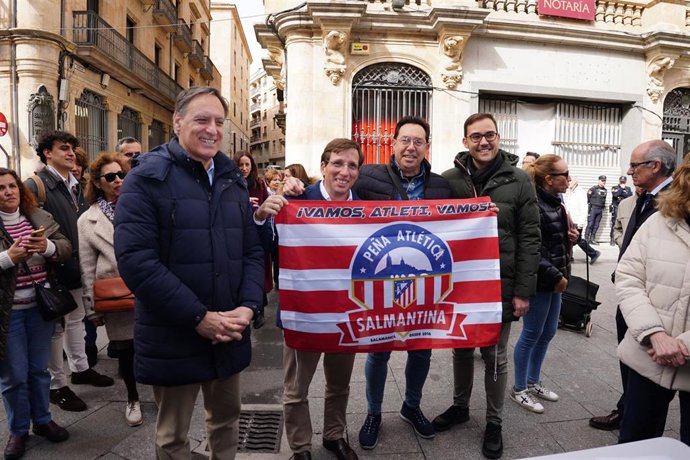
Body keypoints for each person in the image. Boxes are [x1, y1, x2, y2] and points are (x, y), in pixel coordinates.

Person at [114, 86, 265, 458]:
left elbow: (251, 251)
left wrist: (248, 307)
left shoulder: (232, 179)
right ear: (177, 121)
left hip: (229, 330)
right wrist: (198, 317)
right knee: (172, 436)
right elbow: (137, 261)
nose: (212, 129)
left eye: (218, 121)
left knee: (226, 421)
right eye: (202, 119)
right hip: (174, 333)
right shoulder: (146, 179)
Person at [434, 113, 540, 459]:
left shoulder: (520, 180)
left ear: (499, 138)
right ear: (465, 142)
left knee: (495, 354)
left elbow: (530, 237)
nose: (483, 142)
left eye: (490, 135)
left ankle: (494, 422)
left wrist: (523, 292)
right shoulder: (449, 180)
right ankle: (460, 406)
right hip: (459, 287)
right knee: (460, 349)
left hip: (501, 285)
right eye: (476, 137)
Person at [255, 139, 363, 460]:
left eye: (352, 165)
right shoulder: (296, 201)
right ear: (323, 167)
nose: (344, 172)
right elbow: (265, 246)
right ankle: (300, 447)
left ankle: (333, 436)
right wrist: (262, 216)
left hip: (347, 312)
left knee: (339, 384)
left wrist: (476, 212)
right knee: (295, 389)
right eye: (338, 163)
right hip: (304, 311)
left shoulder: (367, 207)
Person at [350, 116, 452, 449]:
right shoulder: (367, 177)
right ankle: (374, 412)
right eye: (405, 140)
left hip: (422, 290)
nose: (411, 147)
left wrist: (484, 213)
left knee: (421, 353)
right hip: (381, 283)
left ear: (427, 147)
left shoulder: (440, 186)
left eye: (418, 141)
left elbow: (459, 227)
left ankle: (411, 406)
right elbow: (333, 201)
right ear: (392, 143)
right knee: (378, 354)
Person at [589, 140, 676, 431]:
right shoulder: (640, 198)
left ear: (656, 165)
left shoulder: (673, 201)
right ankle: (627, 408)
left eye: (635, 165)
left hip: (663, 310)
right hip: (633, 299)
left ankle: (631, 412)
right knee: (629, 360)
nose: (629, 171)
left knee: (646, 383)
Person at [26, 131, 114, 414]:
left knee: (76, 319)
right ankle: (57, 386)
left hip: (74, 265)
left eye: (73, 148)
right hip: (52, 269)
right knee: (56, 329)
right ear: (47, 153)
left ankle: (80, 369)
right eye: (64, 148)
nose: (71, 152)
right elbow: (32, 232)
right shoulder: (36, 185)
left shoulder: (75, 184)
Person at [615, 153, 690, 445]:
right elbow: (629, 277)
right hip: (649, 356)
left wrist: (681, 345)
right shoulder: (660, 220)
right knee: (636, 443)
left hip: (681, 353)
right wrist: (655, 335)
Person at [1, 168, 72, 459]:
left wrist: (48, 246)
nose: (8, 192)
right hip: (9, 315)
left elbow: (67, 248)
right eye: (1, 188)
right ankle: (18, 430)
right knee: (14, 376)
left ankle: (42, 420)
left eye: (12, 186)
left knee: (39, 370)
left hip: (40, 308)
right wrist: (8, 258)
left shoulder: (38, 217)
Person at [77, 153, 142, 428]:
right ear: (98, 183)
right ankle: (133, 398)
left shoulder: (144, 206)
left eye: (122, 174)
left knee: (154, 346)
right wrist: (92, 309)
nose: (118, 181)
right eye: (110, 177)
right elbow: (86, 266)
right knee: (126, 351)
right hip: (116, 295)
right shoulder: (87, 221)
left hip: (151, 289)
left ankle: (164, 395)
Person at [511, 154, 574, 414]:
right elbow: (531, 249)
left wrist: (573, 235)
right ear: (549, 179)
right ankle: (519, 388)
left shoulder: (556, 203)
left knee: (548, 333)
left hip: (556, 278)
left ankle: (533, 381)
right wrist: (555, 276)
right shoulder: (534, 205)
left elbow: (554, 241)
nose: (569, 180)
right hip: (540, 280)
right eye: (564, 175)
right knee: (531, 335)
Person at [71, 146, 99, 367]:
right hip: (69, 257)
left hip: (87, 254)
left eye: (80, 164)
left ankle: (90, 346)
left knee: (88, 305)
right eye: (74, 164)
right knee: (73, 315)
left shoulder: (85, 192)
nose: (76, 168)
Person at [234, 151, 273, 301]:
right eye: (240, 165)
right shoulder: (230, 183)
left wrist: (261, 211)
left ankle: (260, 303)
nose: (244, 168)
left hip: (258, 233)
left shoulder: (259, 183)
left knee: (259, 268)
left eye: (247, 164)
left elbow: (267, 206)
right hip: (238, 234)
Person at [564, 177, 600, 263]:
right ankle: (570, 256)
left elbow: (584, 209)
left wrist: (581, 223)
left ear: (575, 182)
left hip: (576, 221)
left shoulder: (580, 192)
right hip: (571, 220)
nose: (568, 182)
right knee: (570, 239)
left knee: (577, 240)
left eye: (570, 181)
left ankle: (593, 253)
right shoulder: (571, 192)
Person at [585, 175, 607, 244]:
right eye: (602, 180)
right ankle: (586, 238)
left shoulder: (605, 190)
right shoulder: (593, 189)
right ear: (599, 181)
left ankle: (592, 239)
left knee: (596, 225)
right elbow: (588, 197)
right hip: (593, 209)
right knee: (590, 224)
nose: (604, 182)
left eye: (604, 181)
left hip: (600, 210)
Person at [609, 176, 632, 245]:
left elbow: (629, 196)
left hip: (625, 208)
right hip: (616, 207)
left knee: (624, 222)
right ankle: (612, 238)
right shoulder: (614, 188)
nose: (622, 183)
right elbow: (615, 195)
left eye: (623, 181)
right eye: (621, 181)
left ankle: (622, 238)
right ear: (619, 181)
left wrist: (622, 192)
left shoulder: (628, 188)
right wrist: (621, 189)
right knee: (614, 223)